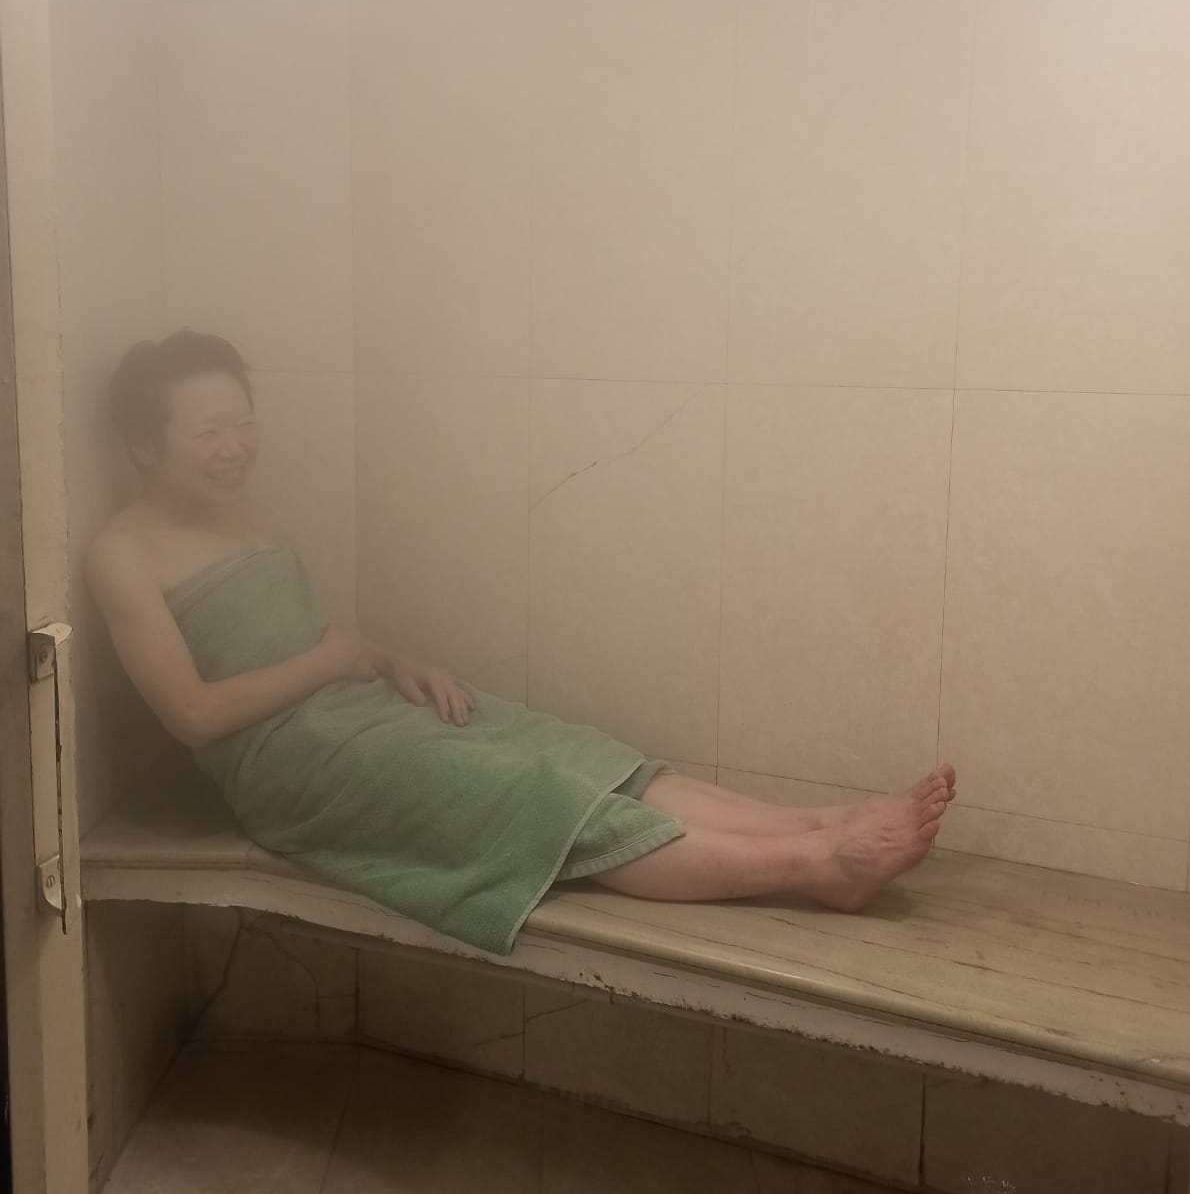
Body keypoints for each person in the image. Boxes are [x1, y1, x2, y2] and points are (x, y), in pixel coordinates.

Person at [86, 330, 955, 956]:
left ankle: (815, 820)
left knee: (559, 747)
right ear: (143, 445)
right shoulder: (124, 554)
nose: (236, 448)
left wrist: (390, 662)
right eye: (209, 432)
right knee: (530, 793)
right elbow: (194, 716)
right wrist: (334, 662)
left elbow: (307, 640)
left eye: (243, 422)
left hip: (349, 712)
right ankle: (815, 865)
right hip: (290, 770)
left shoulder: (238, 514)